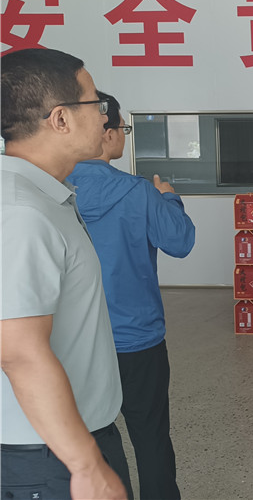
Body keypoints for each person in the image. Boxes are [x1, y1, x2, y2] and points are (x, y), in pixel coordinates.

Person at [1, 48, 132, 499]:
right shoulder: (20, 212)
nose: (104, 116)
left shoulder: (44, 197)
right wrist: (86, 465)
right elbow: (18, 351)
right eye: (96, 103)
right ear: (60, 119)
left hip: (65, 440)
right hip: (46, 456)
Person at [67, 92, 195, 499]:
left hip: (76, 342)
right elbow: (180, 241)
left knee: (91, 433)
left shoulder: (56, 191)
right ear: (105, 132)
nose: (123, 135)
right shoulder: (138, 191)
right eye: (123, 128)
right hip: (137, 338)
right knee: (151, 434)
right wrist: (169, 198)